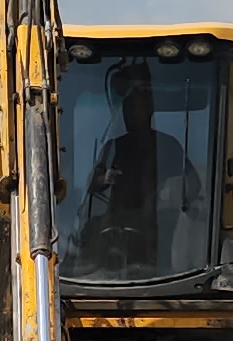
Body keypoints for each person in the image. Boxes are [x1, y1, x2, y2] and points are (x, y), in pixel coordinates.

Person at [81, 62, 200, 271]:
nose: (129, 114)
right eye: (127, 108)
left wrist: (171, 192)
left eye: (136, 107)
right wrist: (105, 178)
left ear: (150, 111)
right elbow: (93, 183)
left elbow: (193, 184)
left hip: (155, 224)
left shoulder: (167, 145)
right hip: (114, 223)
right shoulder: (114, 146)